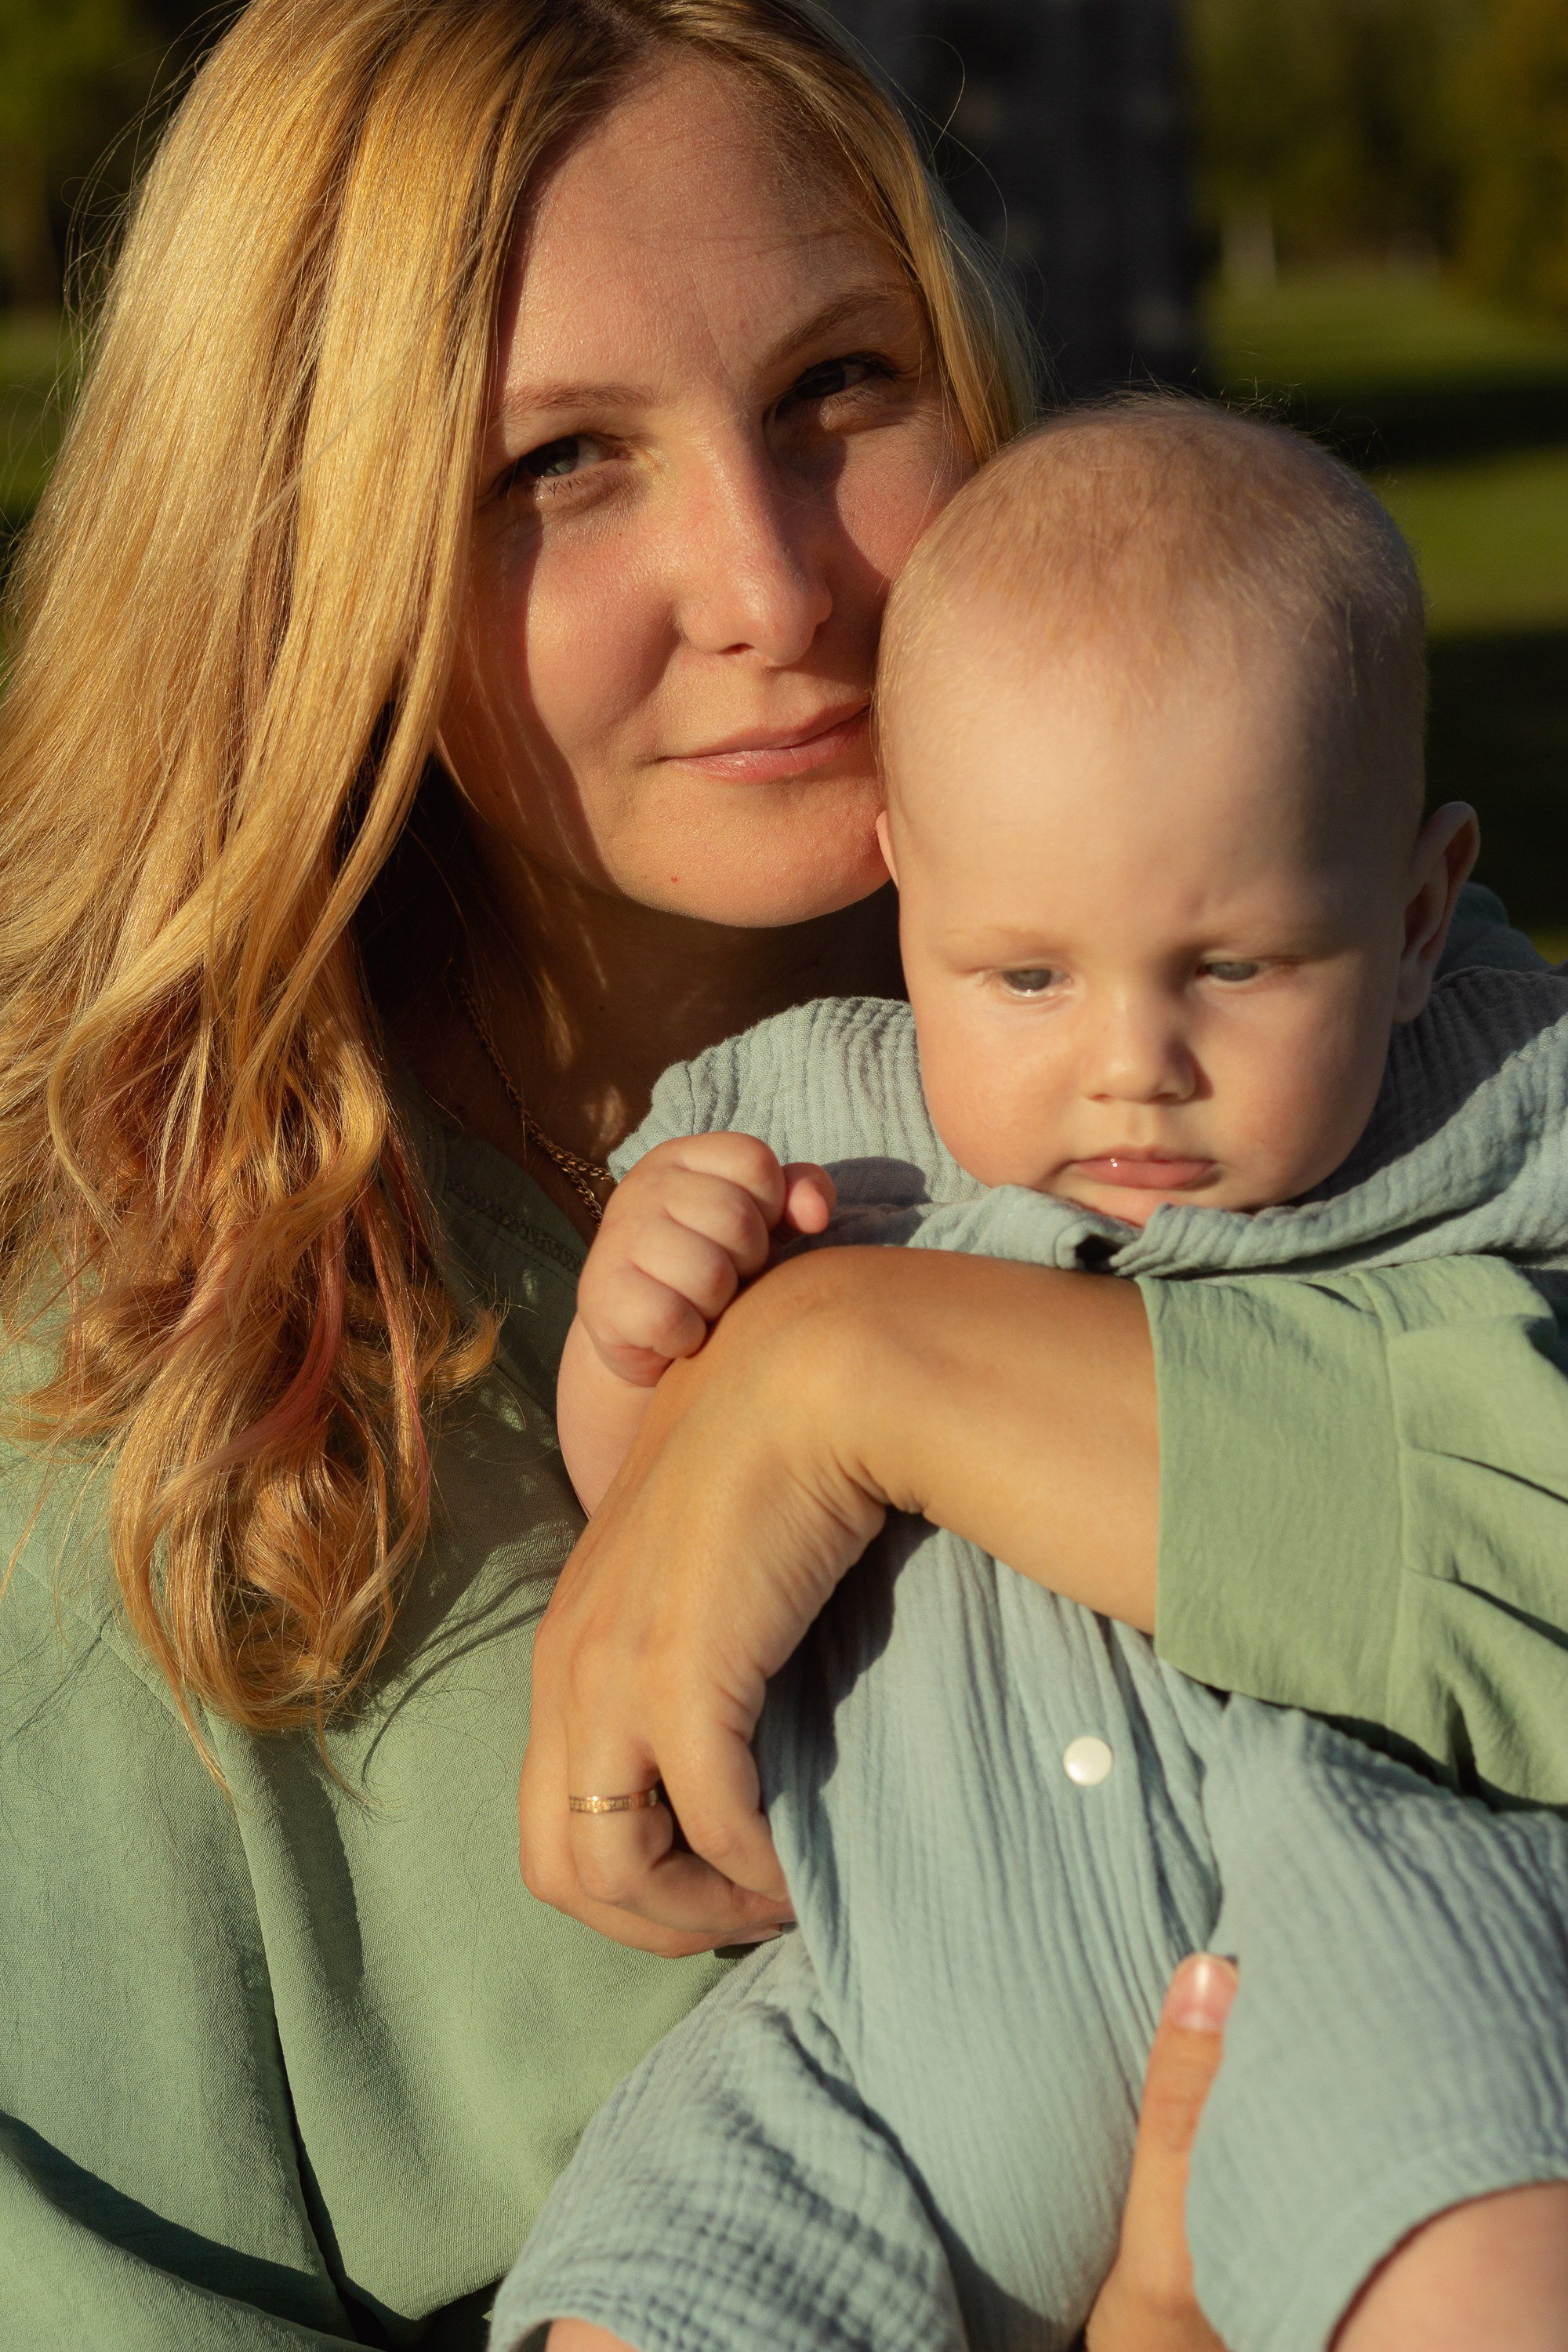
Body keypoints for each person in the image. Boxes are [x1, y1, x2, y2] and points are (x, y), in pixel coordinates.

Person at [0, 0, 1559, 2344]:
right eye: (559, 465)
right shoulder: (116, 1418)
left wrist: (855, 1367)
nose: (774, 584)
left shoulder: (1317, 1008)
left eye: (840, 386)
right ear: (306, 563)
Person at [496, 405, 1568, 2351]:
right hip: (886, 2014)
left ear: (1416, 918)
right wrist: (635, 1339)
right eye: (1025, 977)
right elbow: (650, 1525)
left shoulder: (1491, 1092)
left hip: (1347, 1924)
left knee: (1484, 2246)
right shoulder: (801, 1130)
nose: (1131, 1059)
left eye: (1231, 969)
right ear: (909, 885)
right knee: (643, 2298)